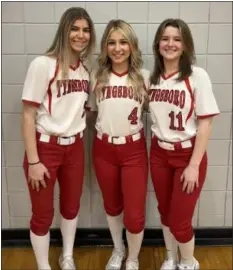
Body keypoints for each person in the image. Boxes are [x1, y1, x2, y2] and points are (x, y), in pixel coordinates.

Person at [21, 7, 96, 270]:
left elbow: (83, 112)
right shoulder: (43, 64)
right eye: (75, 29)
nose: (80, 35)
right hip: (45, 148)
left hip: (74, 147)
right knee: (42, 214)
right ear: (64, 30)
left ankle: (67, 256)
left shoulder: (85, 71)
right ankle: (43, 266)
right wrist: (33, 161)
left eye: (86, 30)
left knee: (71, 206)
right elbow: (28, 114)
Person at [148, 18, 220, 270]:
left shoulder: (197, 76)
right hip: (158, 153)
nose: (170, 44)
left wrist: (193, 165)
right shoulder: (152, 79)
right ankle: (171, 257)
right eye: (165, 38)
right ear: (157, 43)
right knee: (165, 213)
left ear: (186, 44)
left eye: (177, 39)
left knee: (180, 220)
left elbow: (206, 123)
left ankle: (188, 262)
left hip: (187, 155)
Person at [88, 19, 150, 270]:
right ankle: (118, 249)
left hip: (133, 149)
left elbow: (156, 111)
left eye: (123, 42)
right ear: (104, 47)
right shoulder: (96, 76)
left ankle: (133, 258)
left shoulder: (144, 77)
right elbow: (91, 113)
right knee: (112, 206)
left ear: (132, 45)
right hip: (103, 149)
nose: (118, 48)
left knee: (134, 215)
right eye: (111, 42)